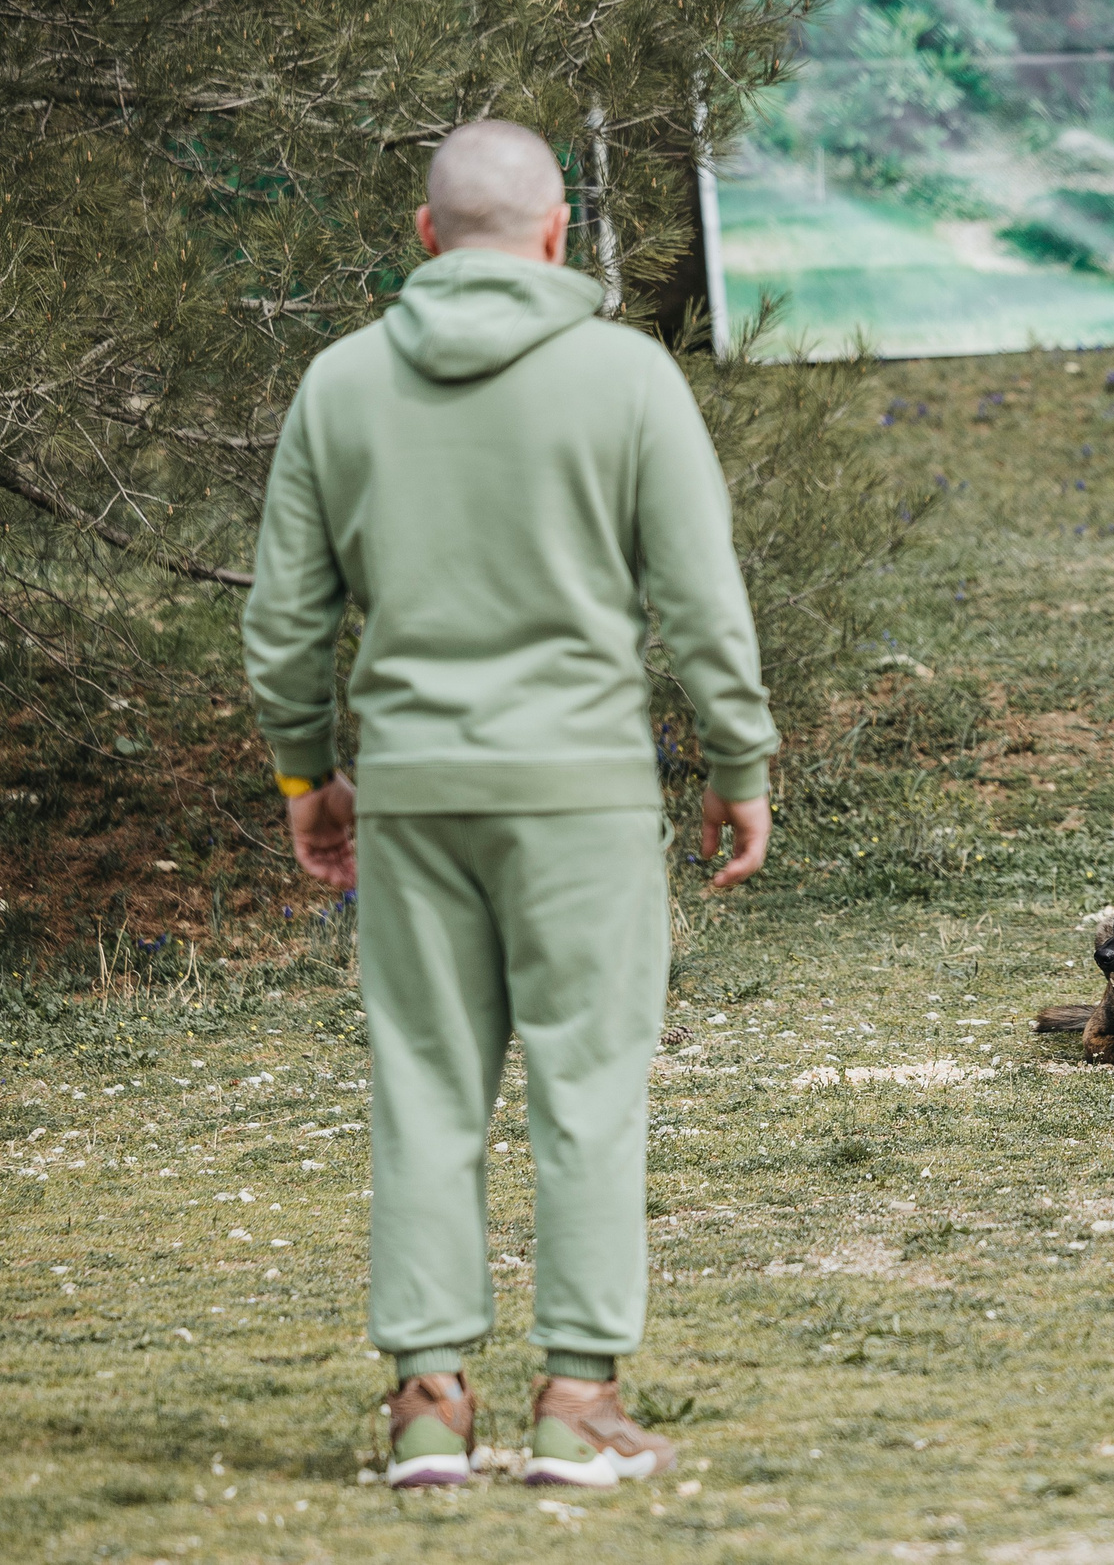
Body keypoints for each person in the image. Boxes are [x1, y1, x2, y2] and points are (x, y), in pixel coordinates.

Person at [243, 120, 780, 1487]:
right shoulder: (630, 377)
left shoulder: (340, 384)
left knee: (424, 1089)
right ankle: (578, 1406)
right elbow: (703, 602)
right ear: (556, 236)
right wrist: (738, 763)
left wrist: (310, 773)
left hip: (414, 796)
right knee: (587, 1089)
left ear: (426, 239)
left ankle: (427, 1407)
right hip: (582, 797)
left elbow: (286, 620)